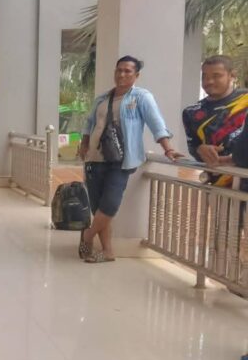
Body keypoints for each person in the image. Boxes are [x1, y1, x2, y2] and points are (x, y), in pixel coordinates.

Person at [78, 56, 183, 263]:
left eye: (127, 71)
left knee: (110, 204)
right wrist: (84, 144)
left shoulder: (141, 97)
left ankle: (87, 235)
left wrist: (168, 148)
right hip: (94, 159)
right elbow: (90, 123)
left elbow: (156, 123)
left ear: (137, 75)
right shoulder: (102, 98)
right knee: (98, 207)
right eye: (119, 70)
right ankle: (107, 251)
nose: (122, 74)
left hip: (121, 160)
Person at [183, 55, 248, 187]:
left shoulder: (245, 99)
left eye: (216, 76)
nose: (209, 81)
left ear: (232, 75)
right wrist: (200, 149)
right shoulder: (191, 112)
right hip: (218, 183)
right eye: (204, 76)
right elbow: (193, 146)